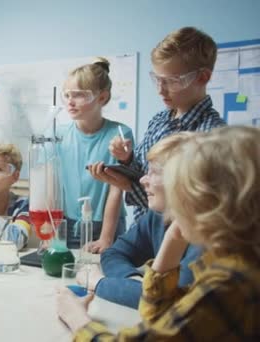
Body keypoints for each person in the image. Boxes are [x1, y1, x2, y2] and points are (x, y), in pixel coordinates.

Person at [56, 125, 260, 340]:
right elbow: (160, 314)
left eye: (186, 185)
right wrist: (174, 236)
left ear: (213, 199)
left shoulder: (229, 282)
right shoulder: (232, 259)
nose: (143, 180)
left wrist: (77, 318)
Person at [89, 27, 225, 221]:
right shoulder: (159, 120)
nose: (161, 90)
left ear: (202, 77)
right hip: (143, 233)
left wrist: (129, 186)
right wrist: (127, 160)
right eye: (157, 80)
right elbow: (143, 172)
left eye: (172, 81)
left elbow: (192, 211)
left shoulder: (212, 137)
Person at [82, 133, 202, 309]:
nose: (143, 180)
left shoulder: (205, 238)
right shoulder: (158, 216)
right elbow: (113, 254)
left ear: (181, 181)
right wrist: (135, 283)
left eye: (154, 172)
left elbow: (171, 303)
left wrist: (100, 283)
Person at [57, 58, 133, 253]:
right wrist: (49, 232)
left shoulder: (119, 133)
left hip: (106, 226)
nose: (70, 102)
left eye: (80, 95)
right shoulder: (58, 135)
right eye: (67, 95)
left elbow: (117, 189)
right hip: (66, 224)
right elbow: (52, 187)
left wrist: (106, 239)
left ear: (102, 97)